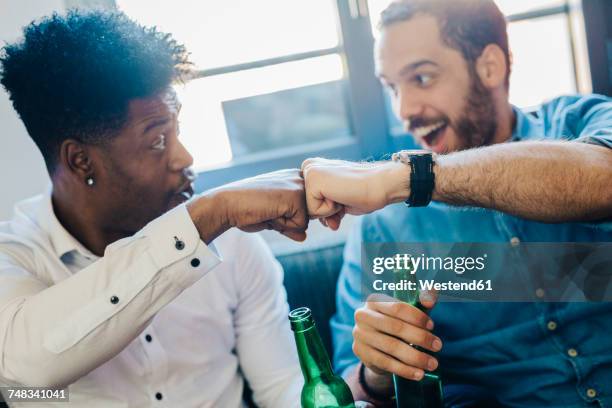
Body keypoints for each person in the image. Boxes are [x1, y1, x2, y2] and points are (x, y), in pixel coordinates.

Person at [301, 0, 612, 406]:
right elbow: (351, 383)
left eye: (423, 78)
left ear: (490, 67)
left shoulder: (580, 123)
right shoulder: (384, 226)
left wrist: (416, 177)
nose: (405, 110)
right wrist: (377, 369)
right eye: (393, 88)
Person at [0, 10, 309, 407]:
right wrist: (207, 217)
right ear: (80, 161)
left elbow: (281, 385)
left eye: (176, 130)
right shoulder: (14, 259)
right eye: (157, 140)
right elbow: (26, 368)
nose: (184, 157)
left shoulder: (232, 244)